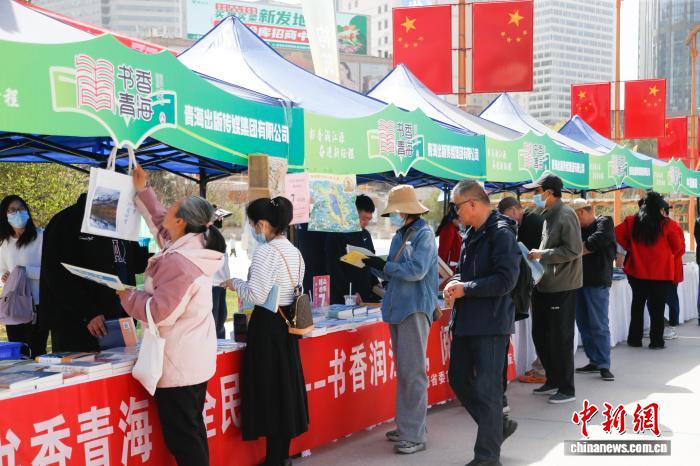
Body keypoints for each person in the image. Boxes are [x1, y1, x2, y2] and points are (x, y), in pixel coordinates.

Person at [116, 165, 225, 466]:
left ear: (181, 221)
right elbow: (159, 223)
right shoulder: (192, 246)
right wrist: (143, 189)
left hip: (180, 364)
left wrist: (129, 297)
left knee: (184, 440)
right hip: (193, 358)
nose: (166, 209)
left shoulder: (180, 261)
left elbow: (161, 312)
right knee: (191, 432)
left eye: (173, 207)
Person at [224, 196, 309, 466]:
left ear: (262, 224)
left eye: (252, 224)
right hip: (286, 326)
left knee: (269, 392)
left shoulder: (266, 252)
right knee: (284, 392)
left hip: (267, 327)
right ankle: (279, 456)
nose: (252, 229)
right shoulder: (294, 251)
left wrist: (235, 283)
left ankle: (274, 459)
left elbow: (257, 295)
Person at [445, 180, 520, 466]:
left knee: (488, 389)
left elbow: (506, 280)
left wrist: (467, 288)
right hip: (467, 321)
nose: (456, 213)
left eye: (457, 207)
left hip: (491, 323)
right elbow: (467, 273)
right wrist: (455, 282)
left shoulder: (501, 233)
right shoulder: (472, 233)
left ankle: (487, 457)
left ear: (473, 204)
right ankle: (497, 427)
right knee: (458, 378)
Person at [362, 184, 437, 455]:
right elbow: (395, 271)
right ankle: (407, 426)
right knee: (406, 371)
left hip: (414, 308)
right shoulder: (401, 234)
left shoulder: (424, 235)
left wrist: (385, 266)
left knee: (413, 372)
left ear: (404, 210)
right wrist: (374, 265)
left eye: (395, 211)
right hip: (399, 308)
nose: (392, 216)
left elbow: (416, 270)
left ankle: (414, 434)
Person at [40, 194, 150, 352]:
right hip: (80, 325)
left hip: (120, 320)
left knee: (120, 365)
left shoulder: (121, 222)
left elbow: (135, 262)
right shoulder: (67, 220)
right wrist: (88, 312)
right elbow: (56, 275)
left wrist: (167, 254)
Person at [526, 174, 582, 404]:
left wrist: (542, 254)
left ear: (549, 193)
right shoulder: (548, 215)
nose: (535, 196)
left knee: (561, 338)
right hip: (545, 284)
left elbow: (574, 250)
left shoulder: (565, 215)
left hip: (562, 286)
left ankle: (567, 388)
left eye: (537, 192)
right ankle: (553, 379)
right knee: (541, 335)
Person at [615, 192, 684, 349]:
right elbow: (679, 248)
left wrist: (630, 247)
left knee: (637, 305)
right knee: (657, 309)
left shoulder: (631, 221)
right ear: (659, 208)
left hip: (637, 272)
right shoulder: (669, 224)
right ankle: (656, 341)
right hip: (661, 273)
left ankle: (634, 339)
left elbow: (616, 234)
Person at [571, 199, 616, 382]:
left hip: (597, 282)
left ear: (582, 212)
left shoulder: (604, 222)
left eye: (575, 216)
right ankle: (594, 361)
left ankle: (604, 364)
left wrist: (575, 250)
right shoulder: (578, 229)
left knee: (598, 325)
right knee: (584, 325)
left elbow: (596, 241)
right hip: (578, 282)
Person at [0, 195, 46, 357]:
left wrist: (23, 272)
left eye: (21, 209)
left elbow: (50, 271)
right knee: (18, 354)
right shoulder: (5, 243)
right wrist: (5, 276)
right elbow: (2, 268)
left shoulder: (41, 236)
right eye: (12, 210)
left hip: (37, 304)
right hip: (13, 305)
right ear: (5, 215)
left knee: (38, 352)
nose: (18, 213)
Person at [325, 194, 380, 304]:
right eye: (363, 219)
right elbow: (333, 268)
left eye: (369, 219)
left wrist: (375, 282)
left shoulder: (366, 235)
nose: (366, 223)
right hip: (345, 298)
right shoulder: (337, 234)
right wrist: (349, 292)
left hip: (365, 297)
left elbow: (370, 263)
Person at [662, 204, 682, 339]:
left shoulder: (673, 225)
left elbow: (680, 248)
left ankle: (673, 326)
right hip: (659, 270)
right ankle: (661, 323)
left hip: (671, 270)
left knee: (671, 298)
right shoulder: (654, 226)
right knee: (653, 300)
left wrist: (667, 258)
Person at [436, 207, 462, 272]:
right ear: (454, 219)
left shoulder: (453, 228)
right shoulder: (449, 229)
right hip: (448, 269)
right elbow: (443, 252)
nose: (461, 222)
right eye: (460, 220)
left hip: (451, 267)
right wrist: (440, 271)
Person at [212, 254, 231, 339]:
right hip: (211, 282)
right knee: (214, 323)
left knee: (221, 320)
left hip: (222, 282)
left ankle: (220, 344)